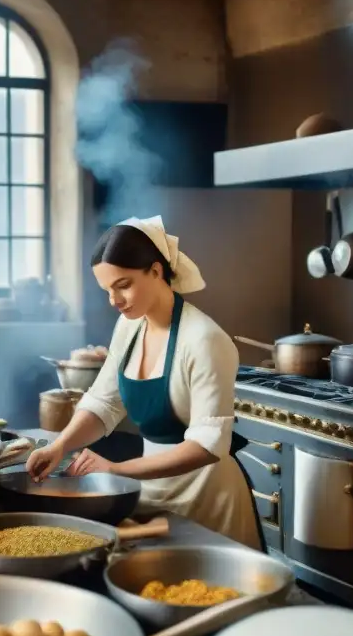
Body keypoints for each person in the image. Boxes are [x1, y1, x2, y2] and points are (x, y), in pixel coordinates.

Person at [26, 216, 260, 549]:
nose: (114, 300)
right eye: (107, 289)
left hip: (207, 500)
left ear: (156, 271)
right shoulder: (130, 327)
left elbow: (207, 446)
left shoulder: (204, 341)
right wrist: (59, 446)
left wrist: (117, 470)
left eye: (123, 285)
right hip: (150, 490)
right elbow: (104, 402)